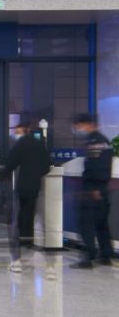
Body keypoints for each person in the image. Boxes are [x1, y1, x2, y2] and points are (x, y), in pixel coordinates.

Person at [2, 120, 51, 271]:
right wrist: (36, 175)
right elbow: (47, 166)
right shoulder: (39, 144)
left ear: (24, 130)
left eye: (17, 131)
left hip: (22, 185)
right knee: (31, 213)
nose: (15, 133)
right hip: (36, 186)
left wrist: (4, 175)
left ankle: (19, 247)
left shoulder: (21, 144)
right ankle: (29, 241)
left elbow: (11, 163)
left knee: (18, 216)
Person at [70, 113, 114, 269]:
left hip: (93, 189)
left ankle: (88, 257)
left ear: (87, 124)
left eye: (79, 125)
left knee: (86, 223)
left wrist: (95, 188)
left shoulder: (94, 141)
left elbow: (97, 167)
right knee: (101, 224)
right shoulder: (104, 140)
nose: (78, 129)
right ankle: (106, 255)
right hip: (102, 188)